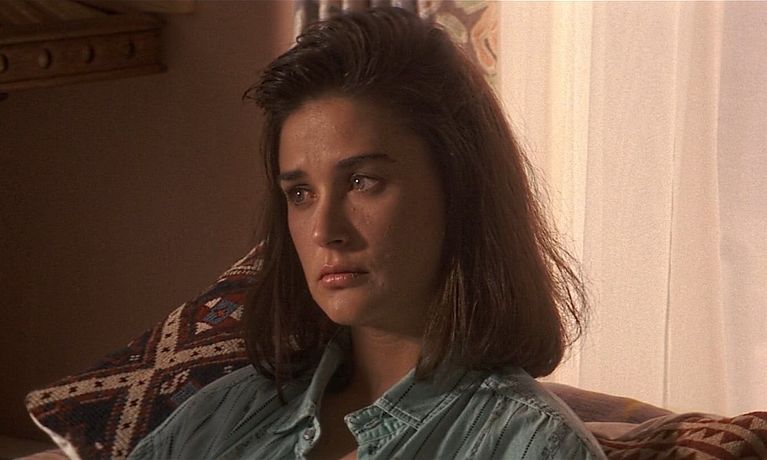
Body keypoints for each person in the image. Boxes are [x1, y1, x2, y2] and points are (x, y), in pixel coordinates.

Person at [128, 7, 605, 459]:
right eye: (300, 193)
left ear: (461, 188)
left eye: (362, 182)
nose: (324, 230)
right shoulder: (221, 419)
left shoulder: (531, 444)